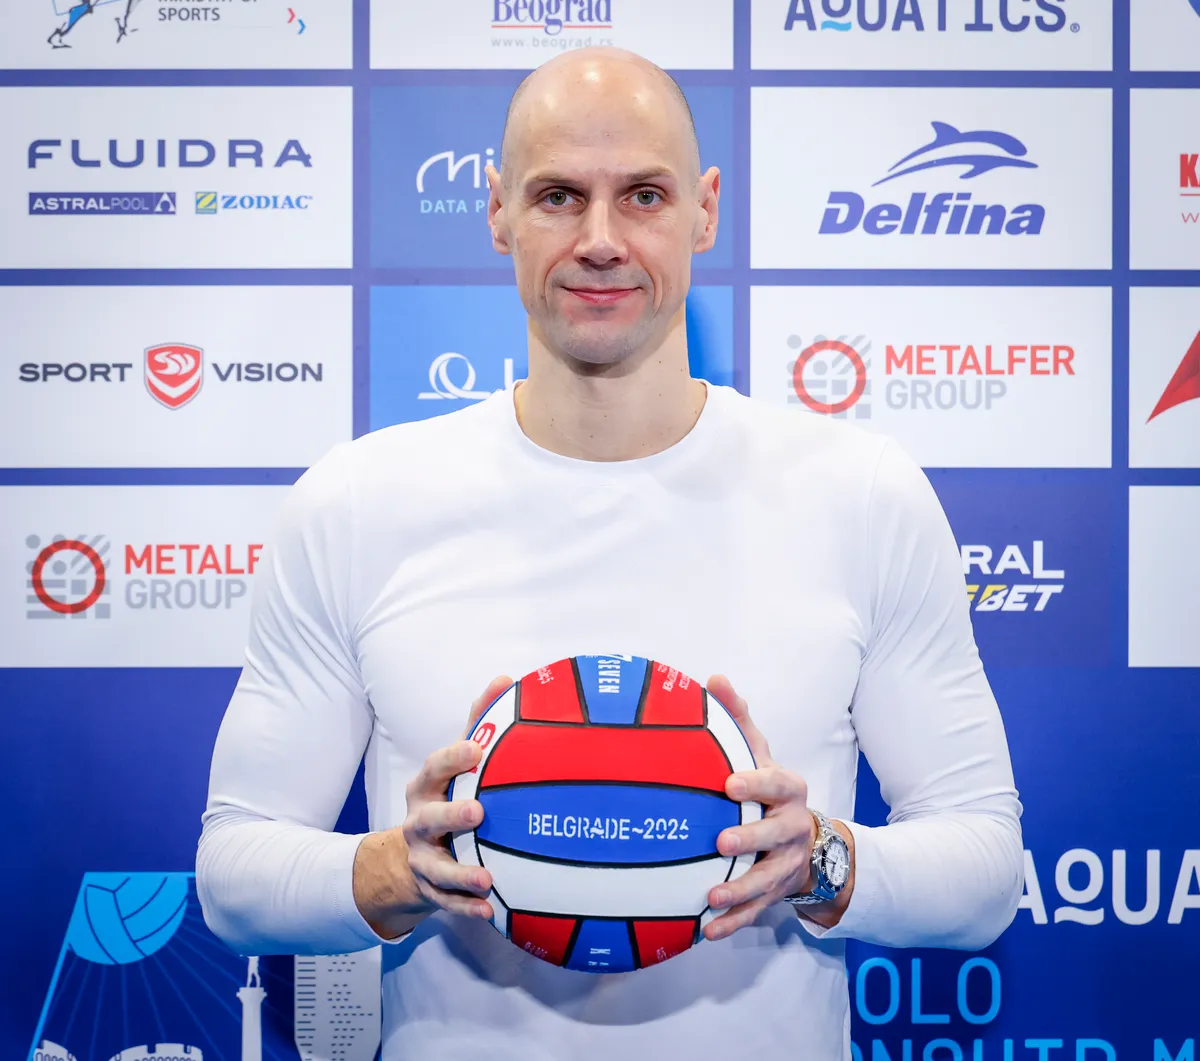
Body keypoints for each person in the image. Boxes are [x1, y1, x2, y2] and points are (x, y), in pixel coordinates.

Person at [197, 46, 1023, 1060]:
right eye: (558, 197)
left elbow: (985, 867)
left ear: (704, 210)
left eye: (643, 195)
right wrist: (396, 870)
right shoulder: (358, 503)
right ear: (497, 210)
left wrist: (818, 860)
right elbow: (233, 874)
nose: (599, 240)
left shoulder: (859, 493)